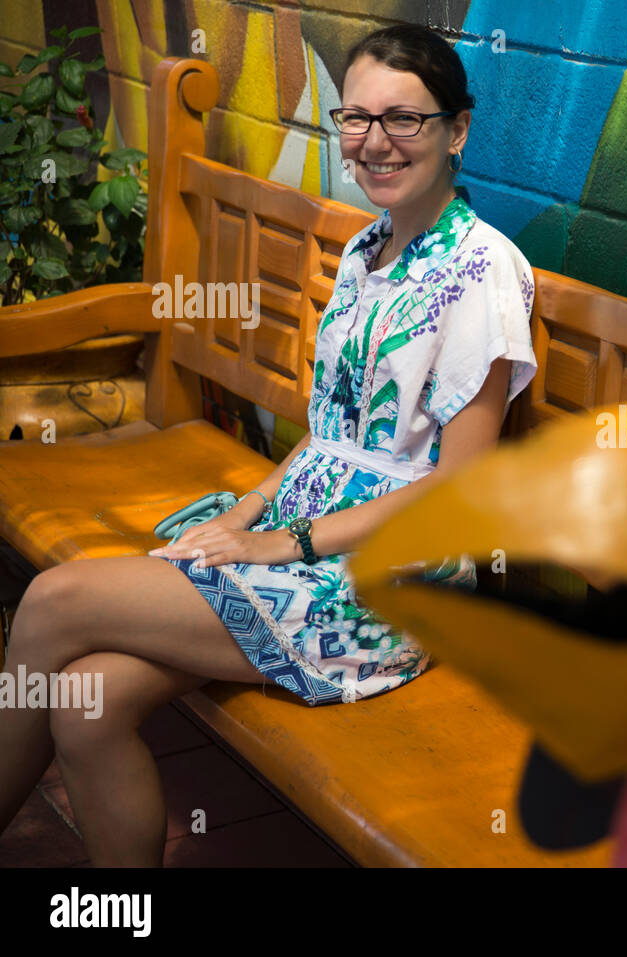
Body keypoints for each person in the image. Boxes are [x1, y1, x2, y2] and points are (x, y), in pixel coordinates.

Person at [0, 24, 537, 866]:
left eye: (405, 119)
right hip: (296, 536)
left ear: (456, 130)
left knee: (53, 602)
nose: (375, 142)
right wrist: (248, 510)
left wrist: (277, 541)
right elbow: (331, 437)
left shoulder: (485, 273)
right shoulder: (368, 251)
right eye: (356, 118)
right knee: (86, 700)